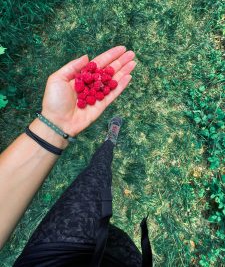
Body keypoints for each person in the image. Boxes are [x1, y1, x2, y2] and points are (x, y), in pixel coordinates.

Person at [0, 46, 152, 266]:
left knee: (96, 175)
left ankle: (109, 142)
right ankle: (110, 140)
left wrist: (54, 123)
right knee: (100, 183)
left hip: (53, 253)